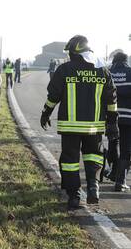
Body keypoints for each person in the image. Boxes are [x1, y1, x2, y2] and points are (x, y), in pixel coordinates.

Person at [40, 35, 118, 209]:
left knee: (70, 161)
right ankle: (93, 187)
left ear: (75, 52)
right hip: (94, 127)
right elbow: (112, 99)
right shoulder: (103, 71)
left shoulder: (64, 69)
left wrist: (46, 113)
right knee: (94, 156)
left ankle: (74, 196)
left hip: (70, 127)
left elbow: (53, 96)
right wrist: (112, 123)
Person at [108, 52, 131, 192]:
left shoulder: (107, 72)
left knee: (112, 143)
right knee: (126, 149)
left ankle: (112, 172)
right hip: (128, 117)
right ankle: (120, 181)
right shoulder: (130, 72)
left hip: (110, 117)